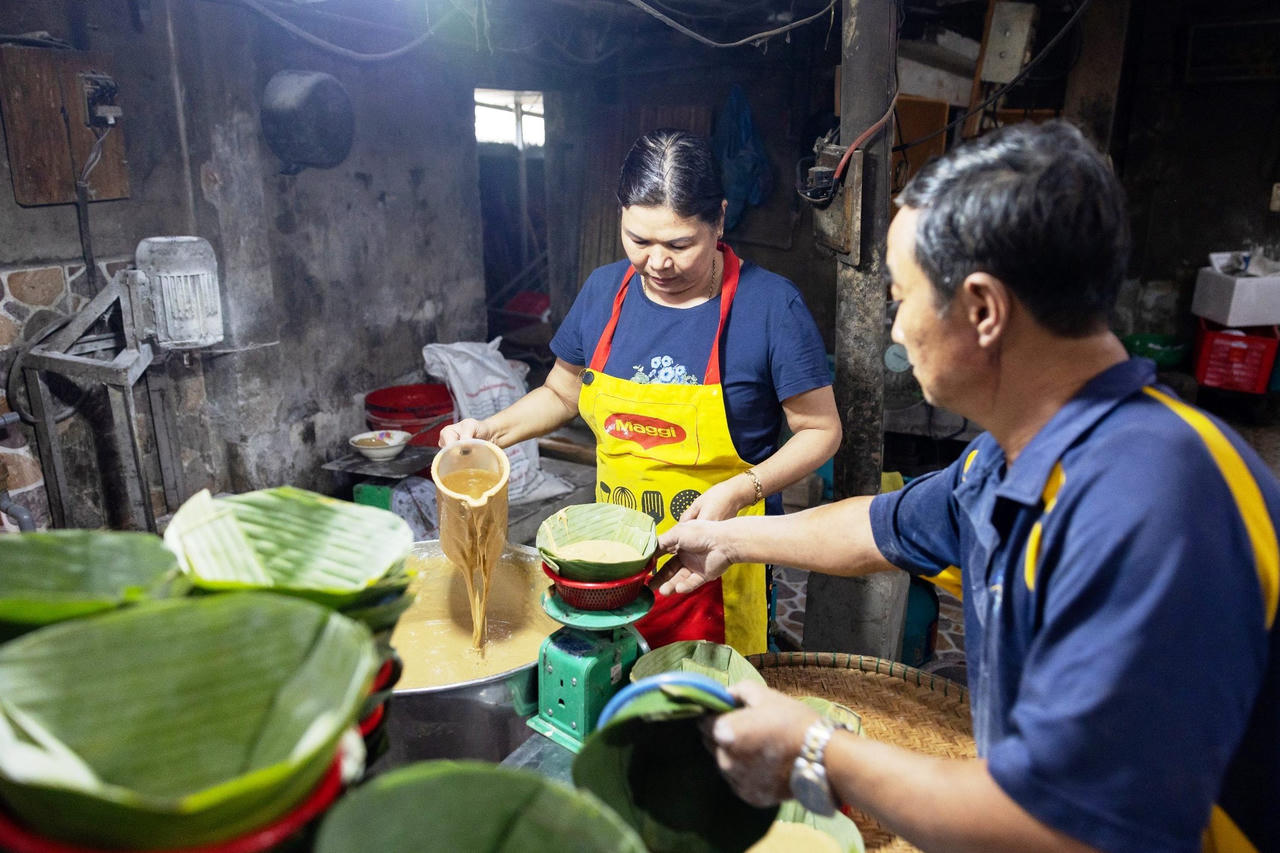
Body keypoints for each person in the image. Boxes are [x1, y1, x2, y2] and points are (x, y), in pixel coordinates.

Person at [655, 120, 1278, 852]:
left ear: (983, 310)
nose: (895, 327)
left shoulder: (1152, 501)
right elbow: (878, 527)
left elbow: (1064, 824)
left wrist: (817, 747)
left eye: (902, 297)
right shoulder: (1012, 460)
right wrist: (726, 536)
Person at [441, 128, 841, 655]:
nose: (657, 263)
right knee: (616, 687)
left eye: (679, 244)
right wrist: (486, 433)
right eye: (639, 240)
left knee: (704, 710)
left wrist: (741, 491)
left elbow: (821, 430)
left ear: (719, 220)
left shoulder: (770, 307)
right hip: (612, 556)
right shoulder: (605, 290)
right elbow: (562, 394)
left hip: (718, 559)